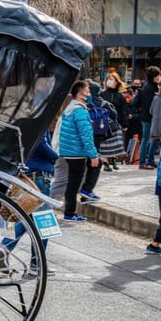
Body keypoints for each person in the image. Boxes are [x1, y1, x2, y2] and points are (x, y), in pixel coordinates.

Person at [57, 80, 101, 222]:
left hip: (69, 151)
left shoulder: (70, 108)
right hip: (77, 152)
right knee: (74, 183)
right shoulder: (80, 111)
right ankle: (72, 210)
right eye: (88, 92)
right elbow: (86, 136)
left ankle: (73, 207)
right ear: (81, 95)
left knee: (72, 182)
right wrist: (93, 155)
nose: (90, 95)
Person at [135, 66, 161, 168]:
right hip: (148, 117)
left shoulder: (152, 86)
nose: (159, 77)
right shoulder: (149, 88)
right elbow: (149, 104)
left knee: (152, 139)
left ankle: (150, 160)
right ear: (153, 76)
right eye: (157, 75)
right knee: (146, 139)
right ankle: (143, 161)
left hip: (149, 117)